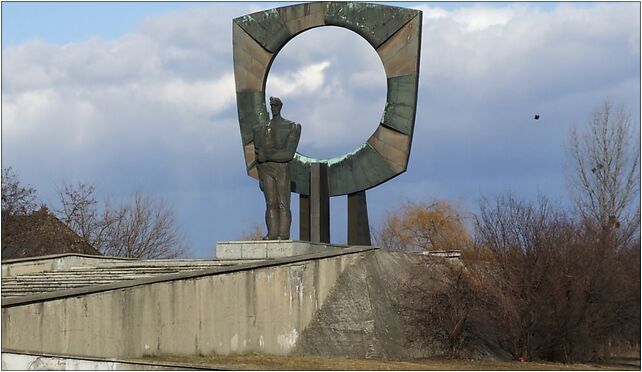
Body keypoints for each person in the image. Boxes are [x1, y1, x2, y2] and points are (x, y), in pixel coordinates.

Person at [252, 97, 301, 240]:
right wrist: (261, 176)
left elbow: (287, 154)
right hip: (266, 170)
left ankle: (283, 234)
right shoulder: (261, 129)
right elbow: (257, 157)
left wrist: (266, 155)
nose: (273, 108)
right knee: (270, 203)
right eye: (271, 106)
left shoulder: (292, 127)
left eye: (275, 106)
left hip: (282, 169)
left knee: (283, 203)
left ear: (280, 107)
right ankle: (272, 233)